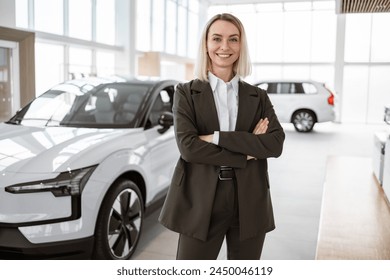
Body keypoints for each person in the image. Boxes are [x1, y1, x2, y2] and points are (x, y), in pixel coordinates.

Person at [159, 13, 285, 260]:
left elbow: (274, 144)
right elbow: (189, 148)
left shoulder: (258, 96)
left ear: (241, 45)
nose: (225, 47)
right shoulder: (185, 92)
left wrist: (215, 137)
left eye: (233, 39)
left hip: (250, 198)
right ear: (206, 45)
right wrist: (248, 150)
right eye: (217, 38)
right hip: (200, 198)